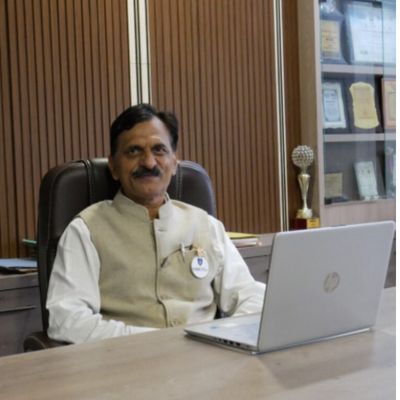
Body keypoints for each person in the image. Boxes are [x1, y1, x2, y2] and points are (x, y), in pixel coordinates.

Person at [46, 104, 265, 344]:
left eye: (159, 150)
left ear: (174, 161)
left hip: (207, 356)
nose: (149, 162)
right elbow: (67, 320)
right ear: (114, 166)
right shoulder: (85, 230)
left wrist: (223, 335)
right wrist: (157, 342)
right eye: (134, 151)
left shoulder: (206, 225)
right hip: (126, 360)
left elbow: (251, 297)